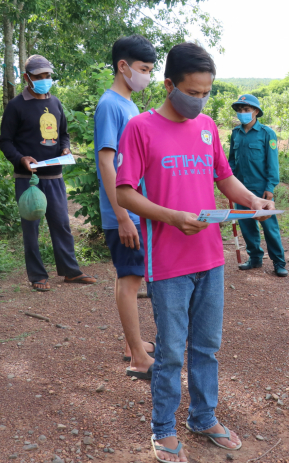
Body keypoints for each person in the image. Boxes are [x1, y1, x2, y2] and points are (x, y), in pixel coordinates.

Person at [116, 42, 275, 462]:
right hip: (168, 262)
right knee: (170, 351)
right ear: (169, 85)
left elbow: (224, 177)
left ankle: (203, 417)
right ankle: (163, 428)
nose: (200, 100)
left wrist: (252, 201)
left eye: (206, 92)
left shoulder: (207, 127)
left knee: (206, 346)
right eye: (193, 91)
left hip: (210, 257)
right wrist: (170, 216)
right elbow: (125, 192)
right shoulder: (141, 128)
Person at [0, 54, 96, 290]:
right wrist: (21, 159)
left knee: (61, 223)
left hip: (54, 176)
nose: (45, 80)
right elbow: (5, 141)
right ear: (27, 78)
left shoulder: (55, 103)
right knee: (31, 227)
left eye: (48, 76)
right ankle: (37, 276)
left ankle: (70, 271)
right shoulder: (16, 106)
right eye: (39, 76)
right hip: (28, 179)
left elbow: (64, 133)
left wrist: (65, 147)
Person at [94, 35, 157, 380]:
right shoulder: (110, 105)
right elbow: (106, 162)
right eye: (143, 69)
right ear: (123, 66)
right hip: (124, 212)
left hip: (131, 210)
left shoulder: (127, 104)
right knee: (132, 279)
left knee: (127, 277)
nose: (147, 75)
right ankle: (138, 359)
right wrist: (122, 215)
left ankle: (132, 343)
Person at [228, 94, 288, 277]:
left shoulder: (266, 133)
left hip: (261, 189)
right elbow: (231, 161)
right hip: (241, 189)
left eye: (246, 110)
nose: (242, 113)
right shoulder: (235, 133)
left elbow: (272, 163)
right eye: (240, 110)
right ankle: (255, 258)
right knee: (247, 226)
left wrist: (270, 187)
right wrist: (227, 182)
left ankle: (279, 263)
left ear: (256, 111)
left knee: (269, 227)